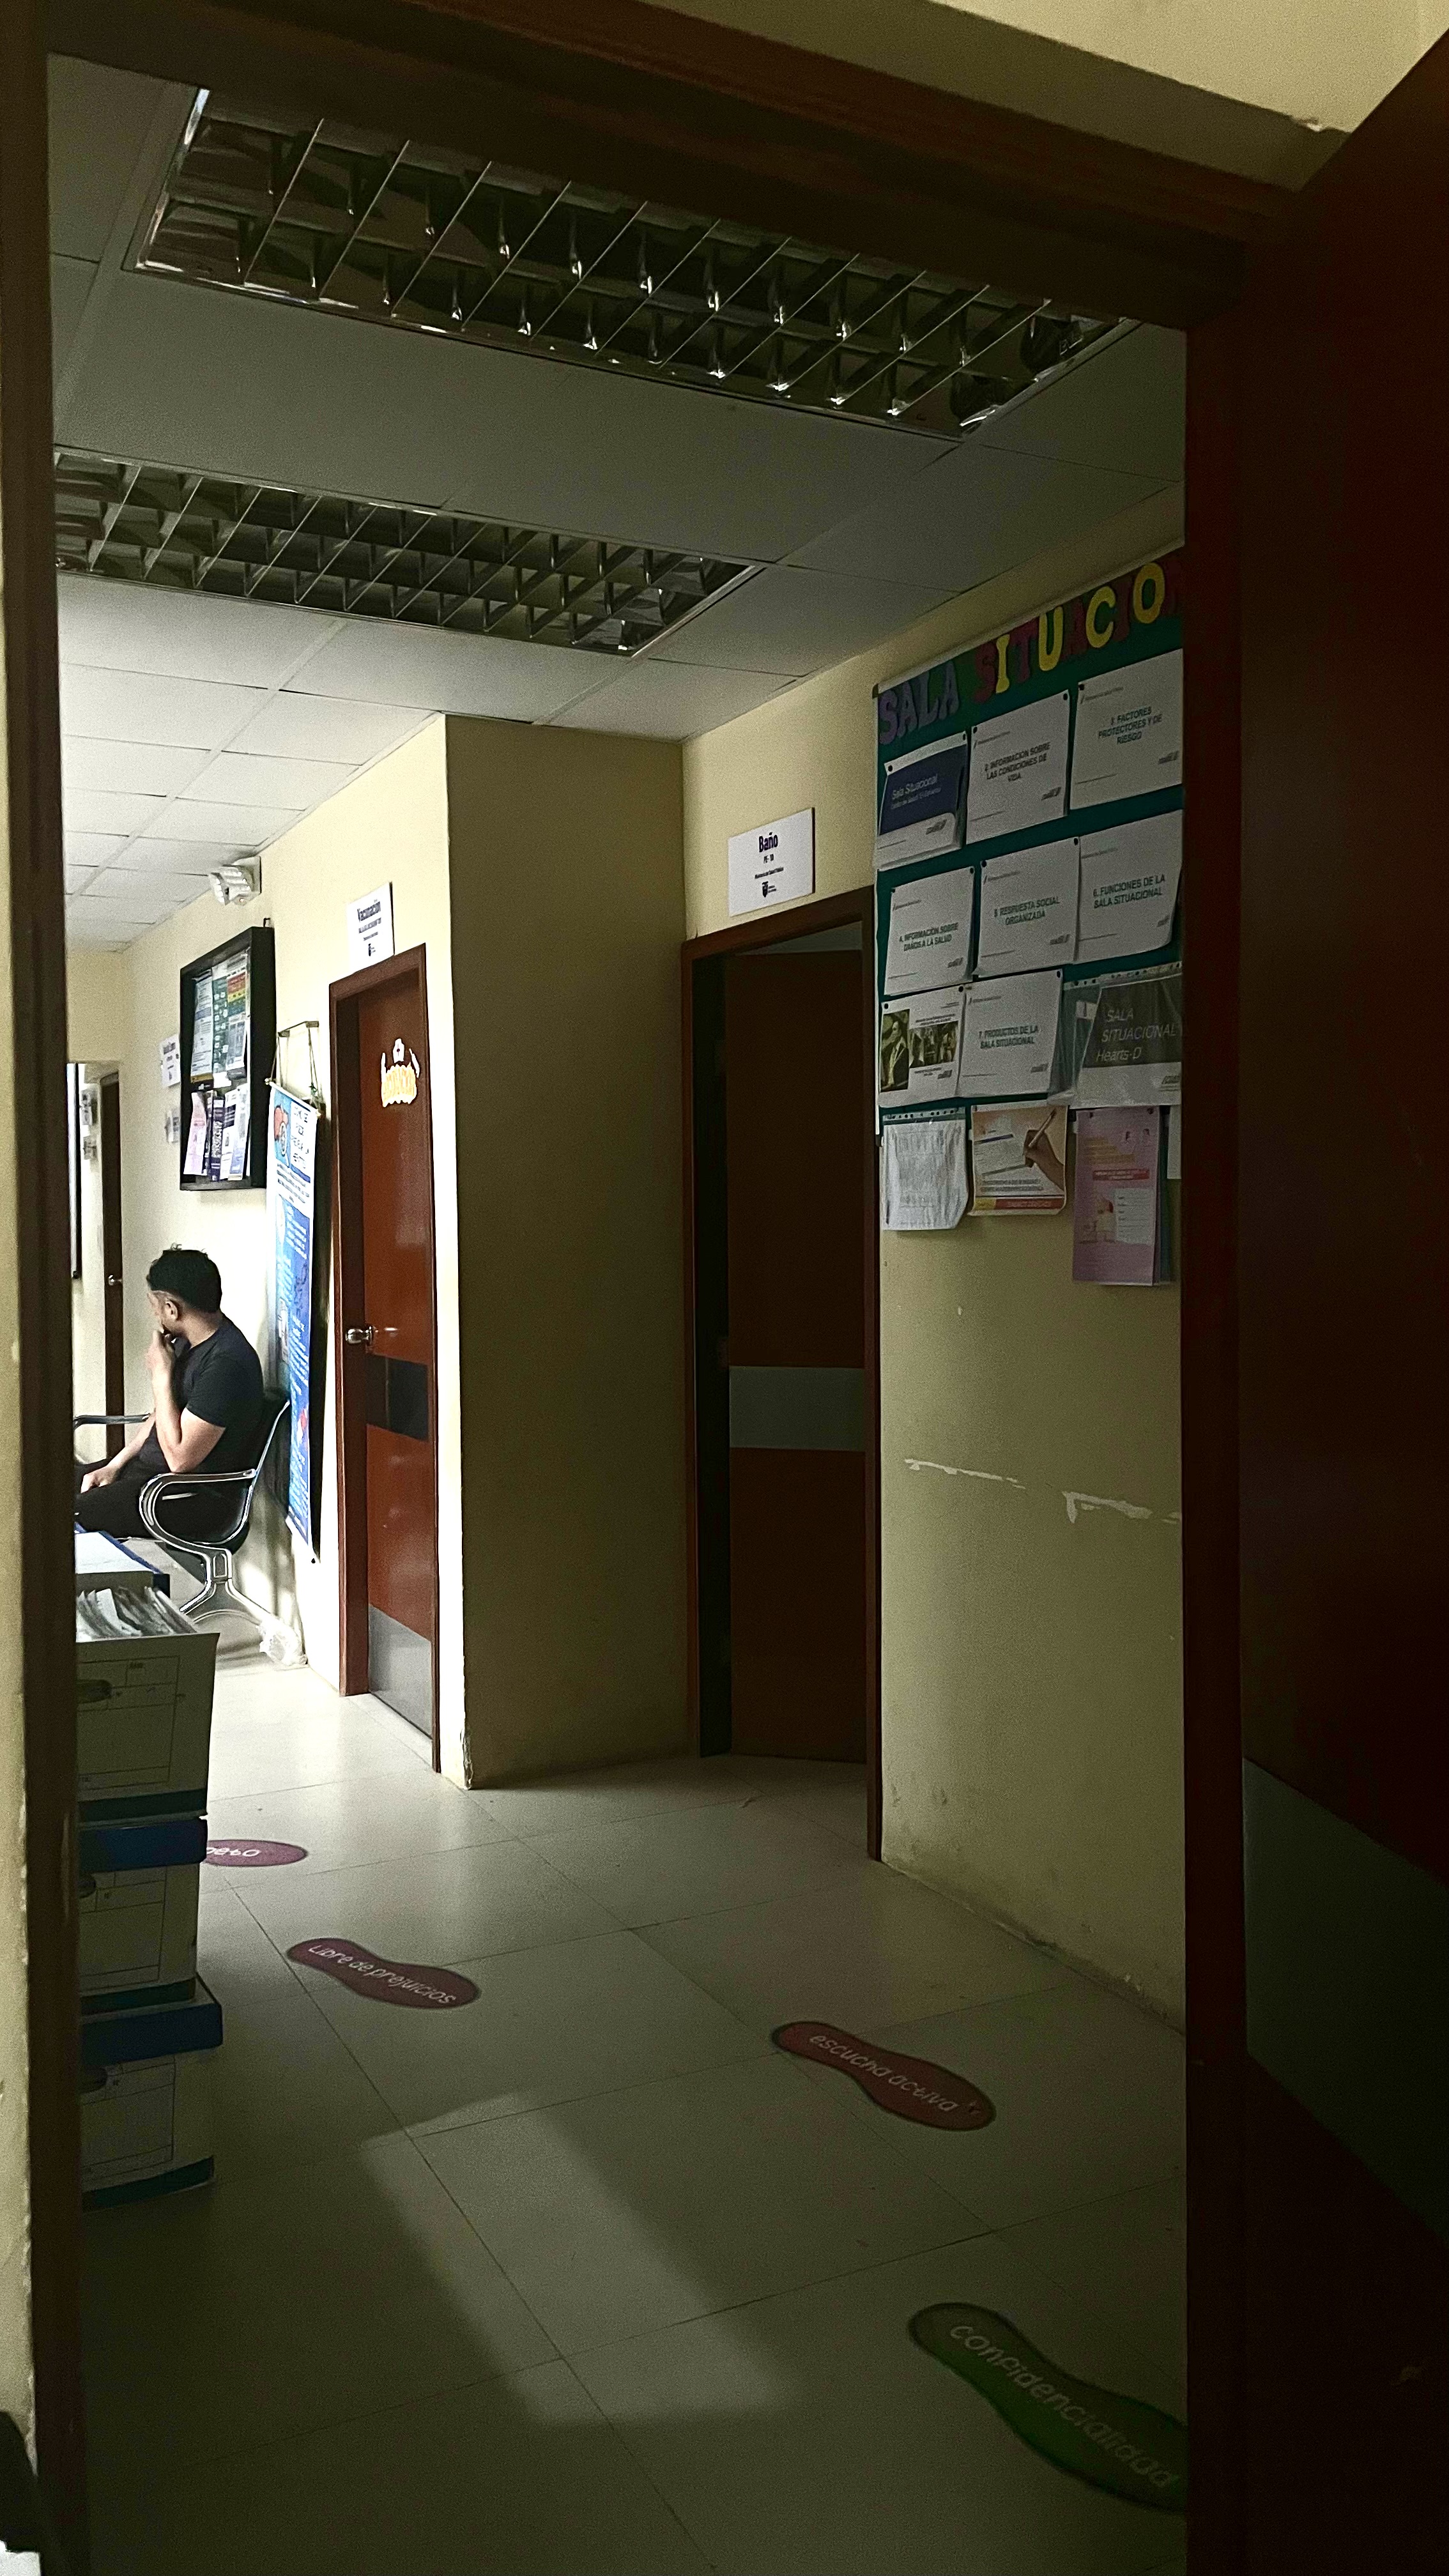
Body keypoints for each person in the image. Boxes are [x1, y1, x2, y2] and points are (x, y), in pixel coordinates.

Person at [75, 1248, 265, 1538]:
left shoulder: (226, 1365)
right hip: (147, 1474)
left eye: (155, 1307)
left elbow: (180, 1461)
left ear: (172, 1309)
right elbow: (160, 1417)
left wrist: (161, 1376)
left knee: (61, 1516)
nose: (155, 1314)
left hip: (186, 1495)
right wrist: (114, 1466)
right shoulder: (187, 1342)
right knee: (40, 1488)